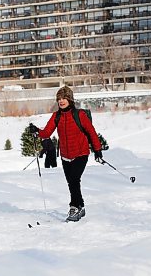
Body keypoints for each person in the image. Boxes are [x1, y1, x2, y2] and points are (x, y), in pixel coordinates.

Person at [29, 86, 102, 222]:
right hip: (65, 156)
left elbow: (91, 132)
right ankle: (80, 206)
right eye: (59, 99)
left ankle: (74, 207)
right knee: (72, 183)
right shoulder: (56, 116)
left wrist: (97, 150)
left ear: (70, 99)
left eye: (64, 98)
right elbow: (46, 133)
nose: (61, 101)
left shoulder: (79, 115)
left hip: (81, 153)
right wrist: (36, 130)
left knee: (74, 180)